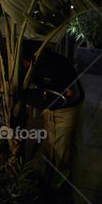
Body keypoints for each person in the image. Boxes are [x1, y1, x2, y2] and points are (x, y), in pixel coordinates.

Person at [25, 47, 84, 183]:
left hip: (67, 109)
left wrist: (48, 99)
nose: (25, 66)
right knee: (50, 147)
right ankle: (50, 183)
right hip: (50, 106)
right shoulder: (30, 67)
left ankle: (62, 188)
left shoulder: (57, 65)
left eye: (27, 63)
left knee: (63, 151)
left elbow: (72, 94)